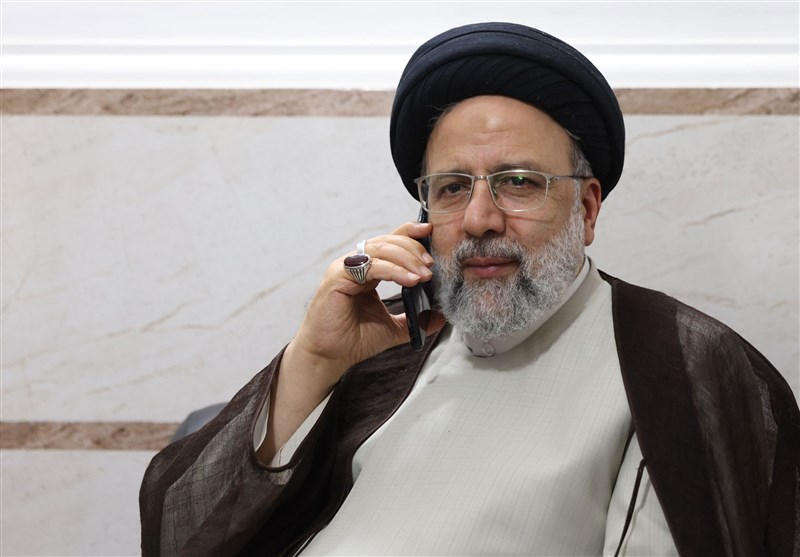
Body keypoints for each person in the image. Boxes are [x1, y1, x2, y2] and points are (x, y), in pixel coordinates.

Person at [139, 22, 799, 556]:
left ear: (587, 208)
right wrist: (313, 360)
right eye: (453, 188)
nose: (480, 219)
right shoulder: (390, 350)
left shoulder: (676, 363)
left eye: (518, 182)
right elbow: (183, 533)